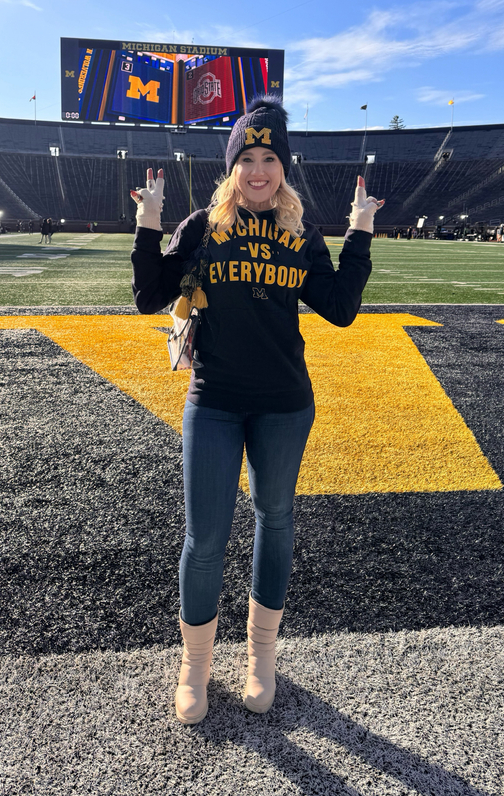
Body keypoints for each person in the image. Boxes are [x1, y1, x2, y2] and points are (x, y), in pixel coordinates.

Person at [129, 95, 384, 726]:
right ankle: (195, 666)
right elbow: (148, 297)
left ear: (283, 167)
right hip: (213, 400)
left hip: (283, 404)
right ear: (232, 166)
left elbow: (341, 307)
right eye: (248, 157)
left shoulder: (299, 235)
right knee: (206, 536)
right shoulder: (201, 227)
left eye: (269, 157)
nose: (259, 169)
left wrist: (359, 232)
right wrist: (150, 222)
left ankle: (260, 658)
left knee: (275, 520)